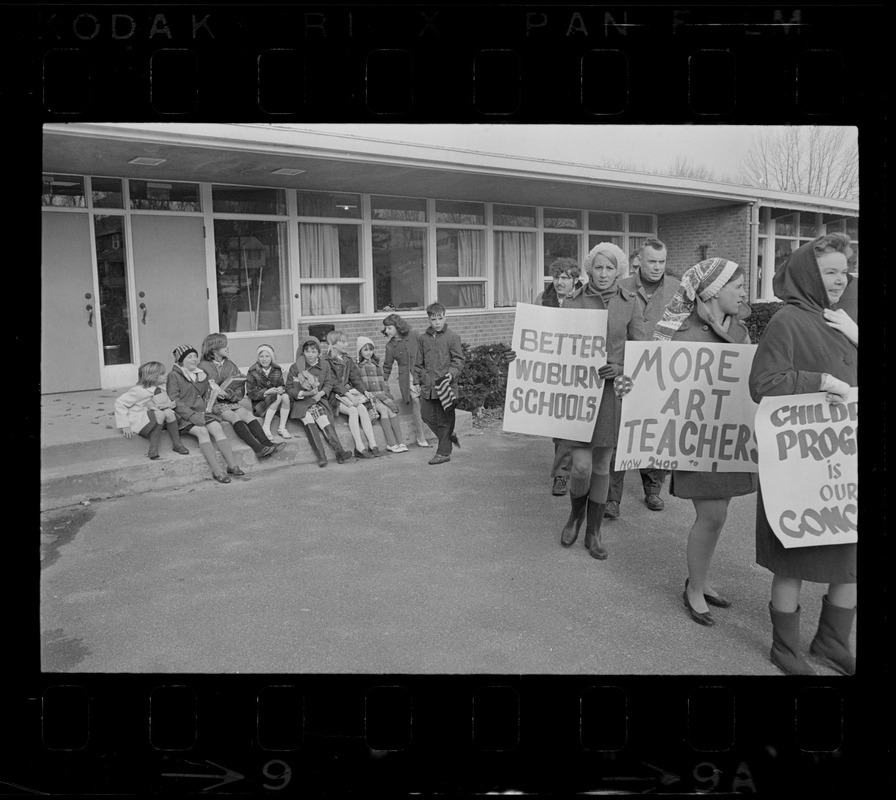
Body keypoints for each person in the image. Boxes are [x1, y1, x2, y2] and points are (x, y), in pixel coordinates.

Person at [748, 232, 857, 675]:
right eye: (829, 272)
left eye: (843, 272)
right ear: (808, 273)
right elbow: (764, 383)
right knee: (792, 556)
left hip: (840, 461)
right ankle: (786, 650)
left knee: (850, 557)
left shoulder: (841, 317)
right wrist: (821, 383)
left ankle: (831, 642)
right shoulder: (787, 320)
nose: (839, 280)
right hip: (797, 463)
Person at [652, 259, 758, 627]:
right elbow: (655, 384)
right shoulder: (679, 334)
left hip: (727, 438)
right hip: (694, 439)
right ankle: (694, 590)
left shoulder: (740, 331)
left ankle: (700, 580)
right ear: (713, 291)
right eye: (739, 285)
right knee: (710, 514)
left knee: (719, 515)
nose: (745, 292)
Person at [554, 242, 645, 558]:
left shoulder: (629, 302)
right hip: (579, 392)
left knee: (603, 465)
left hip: (612, 393)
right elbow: (554, 348)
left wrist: (620, 366)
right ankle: (575, 516)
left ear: (618, 270)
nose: (603, 273)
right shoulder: (572, 303)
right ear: (589, 269)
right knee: (580, 467)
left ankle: (594, 532)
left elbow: (642, 350)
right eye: (598, 267)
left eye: (610, 268)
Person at [607, 237, 680, 518]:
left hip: (662, 374)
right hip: (625, 372)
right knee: (620, 434)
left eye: (662, 262)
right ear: (639, 260)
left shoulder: (677, 290)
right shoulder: (621, 287)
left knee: (657, 432)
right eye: (652, 261)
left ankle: (653, 489)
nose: (657, 267)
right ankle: (612, 499)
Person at [534, 257, 581, 496]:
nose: (560, 282)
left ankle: (573, 472)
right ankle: (562, 474)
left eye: (565, 277)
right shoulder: (543, 300)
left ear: (575, 280)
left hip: (581, 368)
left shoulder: (588, 299)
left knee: (577, 425)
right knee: (562, 424)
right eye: (556, 277)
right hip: (554, 369)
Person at [166, 344, 243, 483]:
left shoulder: (200, 373)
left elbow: (206, 394)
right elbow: (174, 400)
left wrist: (212, 406)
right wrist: (191, 416)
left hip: (202, 412)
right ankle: (217, 470)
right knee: (202, 431)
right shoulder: (174, 376)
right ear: (181, 360)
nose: (194, 359)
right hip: (185, 415)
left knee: (217, 428)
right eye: (190, 357)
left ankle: (232, 465)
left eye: (195, 356)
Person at [199, 333, 278, 459]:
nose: (228, 348)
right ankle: (258, 448)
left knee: (246, 414)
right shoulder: (203, 367)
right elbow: (200, 390)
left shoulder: (230, 365)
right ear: (214, 349)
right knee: (234, 416)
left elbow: (240, 386)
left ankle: (268, 443)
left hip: (229, 400)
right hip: (214, 404)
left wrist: (228, 394)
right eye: (224, 346)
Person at [412, 302, 465, 465]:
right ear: (428, 319)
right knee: (426, 415)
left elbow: (459, 360)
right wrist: (418, 380)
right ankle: (448, 435)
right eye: (434, 319)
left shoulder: (452, 337)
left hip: (446, 386)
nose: (437, 323)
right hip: (428, 386)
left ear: (445, 317)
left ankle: (443, 453)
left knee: (444, 420)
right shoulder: (423, 339)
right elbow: (417, 363)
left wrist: (451, 374)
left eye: (440, 319)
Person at [287, 337, 351, 466]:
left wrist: (321, 393)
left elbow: (328, 383)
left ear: (318, 352)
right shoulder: (296, 367)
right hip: (302, 401)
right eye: (307, 351)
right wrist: (304, 393)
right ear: (303, 352)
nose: (310, 355)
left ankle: (340, 452)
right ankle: (321, 456)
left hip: (317, 400)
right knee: (308, 418)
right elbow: (289, 388)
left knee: (323, 420)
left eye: (313, 351)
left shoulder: (324, 365)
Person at [324, 330, 383, 459]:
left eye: (346, 341)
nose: (346, 344)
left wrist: (364, 390)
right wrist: (349, 396)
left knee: (362, 408)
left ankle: (373, 444)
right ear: (333, 344)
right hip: (334, 396)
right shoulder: (326, 360)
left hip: (347, 393)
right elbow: (333, 382)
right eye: (342, 342)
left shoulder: (347, 359)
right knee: (353, 410)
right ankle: (359, 446)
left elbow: (355, 378)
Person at [114, 361, 190, 460]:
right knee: (160, 414)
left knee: (169, 412)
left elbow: (159, 404)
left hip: (154, 415)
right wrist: (124, 424)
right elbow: (119, 403)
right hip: (140, 418)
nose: (166, 375)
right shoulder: (138, 391)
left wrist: (169, 405)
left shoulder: (160, 388)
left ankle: (177, 444)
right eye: (162, 374)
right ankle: (153, 449)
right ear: (153, 377)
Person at [382, 313, 430, 448]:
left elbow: (425, 350)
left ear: (397, 327)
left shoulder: (414, 335)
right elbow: (387, 366)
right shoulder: (390, 346)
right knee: (416, 400)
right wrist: (384, 381)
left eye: (389, 328)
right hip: (406, 377)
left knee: (428, 399)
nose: (387, 331)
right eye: (386, 328)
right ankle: (420, 436)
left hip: (421, 371)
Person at [356, 336, 408, 453]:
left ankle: (400, 442)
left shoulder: (376, 364)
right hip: (370, 397)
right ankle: (391, 443)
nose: (369, 352)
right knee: (384, 410)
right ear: (360, 351)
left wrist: (387, 394)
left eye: (371, 349)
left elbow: (383, 382)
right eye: (365, 350)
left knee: (392, 410)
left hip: (382, 394)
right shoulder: (358, 367)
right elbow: (358, 384)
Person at [245, 344, 292, 441]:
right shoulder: (252, 371)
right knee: (277, 397)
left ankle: (282, 428)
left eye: (267, 356)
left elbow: (282, 385)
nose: (264, 359)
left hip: (275, 404)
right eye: (261, 356)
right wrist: (266, 392)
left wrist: (281, 388)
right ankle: (266, 428)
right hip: (259, 404)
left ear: (272, 357)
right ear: (258, 357)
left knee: (285, 397)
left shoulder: (277, 369)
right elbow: (251, 393)